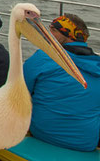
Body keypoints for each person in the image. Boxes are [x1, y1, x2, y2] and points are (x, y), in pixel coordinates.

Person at [23, 13, 100, 152]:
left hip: (44, 133)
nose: (47, 33)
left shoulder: (44, 57)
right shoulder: (97, 66)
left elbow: (20, 91)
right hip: (86, 142)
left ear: (68, 35)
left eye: (53, 30)